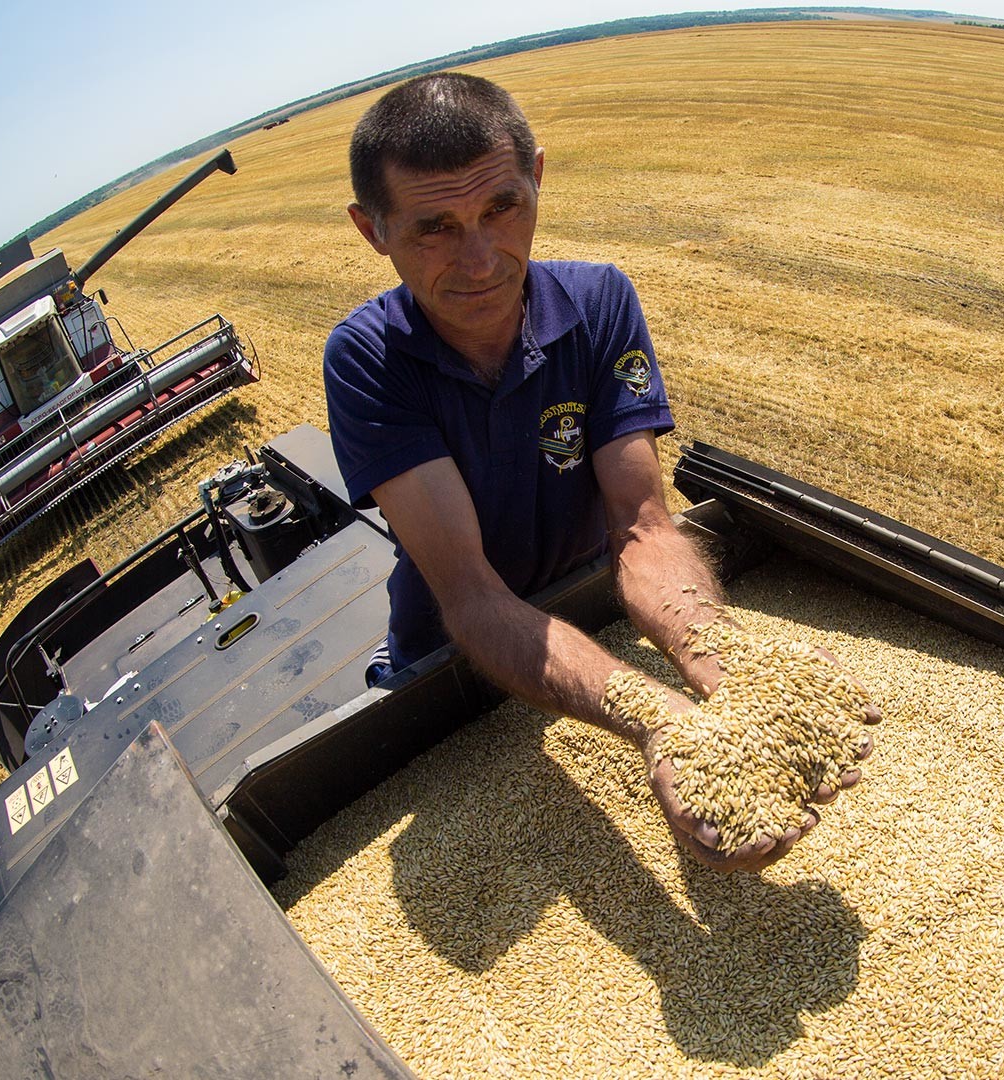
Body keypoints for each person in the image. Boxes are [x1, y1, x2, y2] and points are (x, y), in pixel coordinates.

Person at [323, 73, 876, 873]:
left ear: (537, 177)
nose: (480, 259)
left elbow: (643, 523)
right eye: (434, 228)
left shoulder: (600, 301)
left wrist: (726, 663)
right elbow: (472, 595)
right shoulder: (369, 357)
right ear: (372, 231)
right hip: (444, 659)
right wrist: (654, 712)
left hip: (595, 609)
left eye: (502, 208)